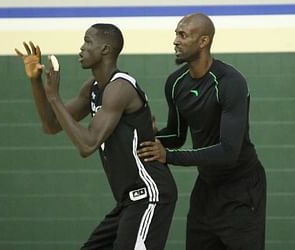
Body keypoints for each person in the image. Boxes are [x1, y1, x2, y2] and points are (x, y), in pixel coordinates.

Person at [15, 23, 177, 250]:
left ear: (105, 49)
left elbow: (87, 144)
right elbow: (51, 125)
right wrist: (36, 81)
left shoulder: (119, 88)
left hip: (149, 193)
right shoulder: (93, 87)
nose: (81, 48)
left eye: (88, 42)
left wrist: (55, 97)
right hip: (128, 201)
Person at [137, 13, 267, 250]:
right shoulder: (175, 83)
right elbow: (176, 134)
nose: (175, 40)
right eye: (176, 34)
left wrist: (170, 157)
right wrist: (148, 136)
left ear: (203, 41)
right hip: (206, 190)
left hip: (242, 189)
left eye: (183, 35)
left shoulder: (230, 82)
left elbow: (228, 151)